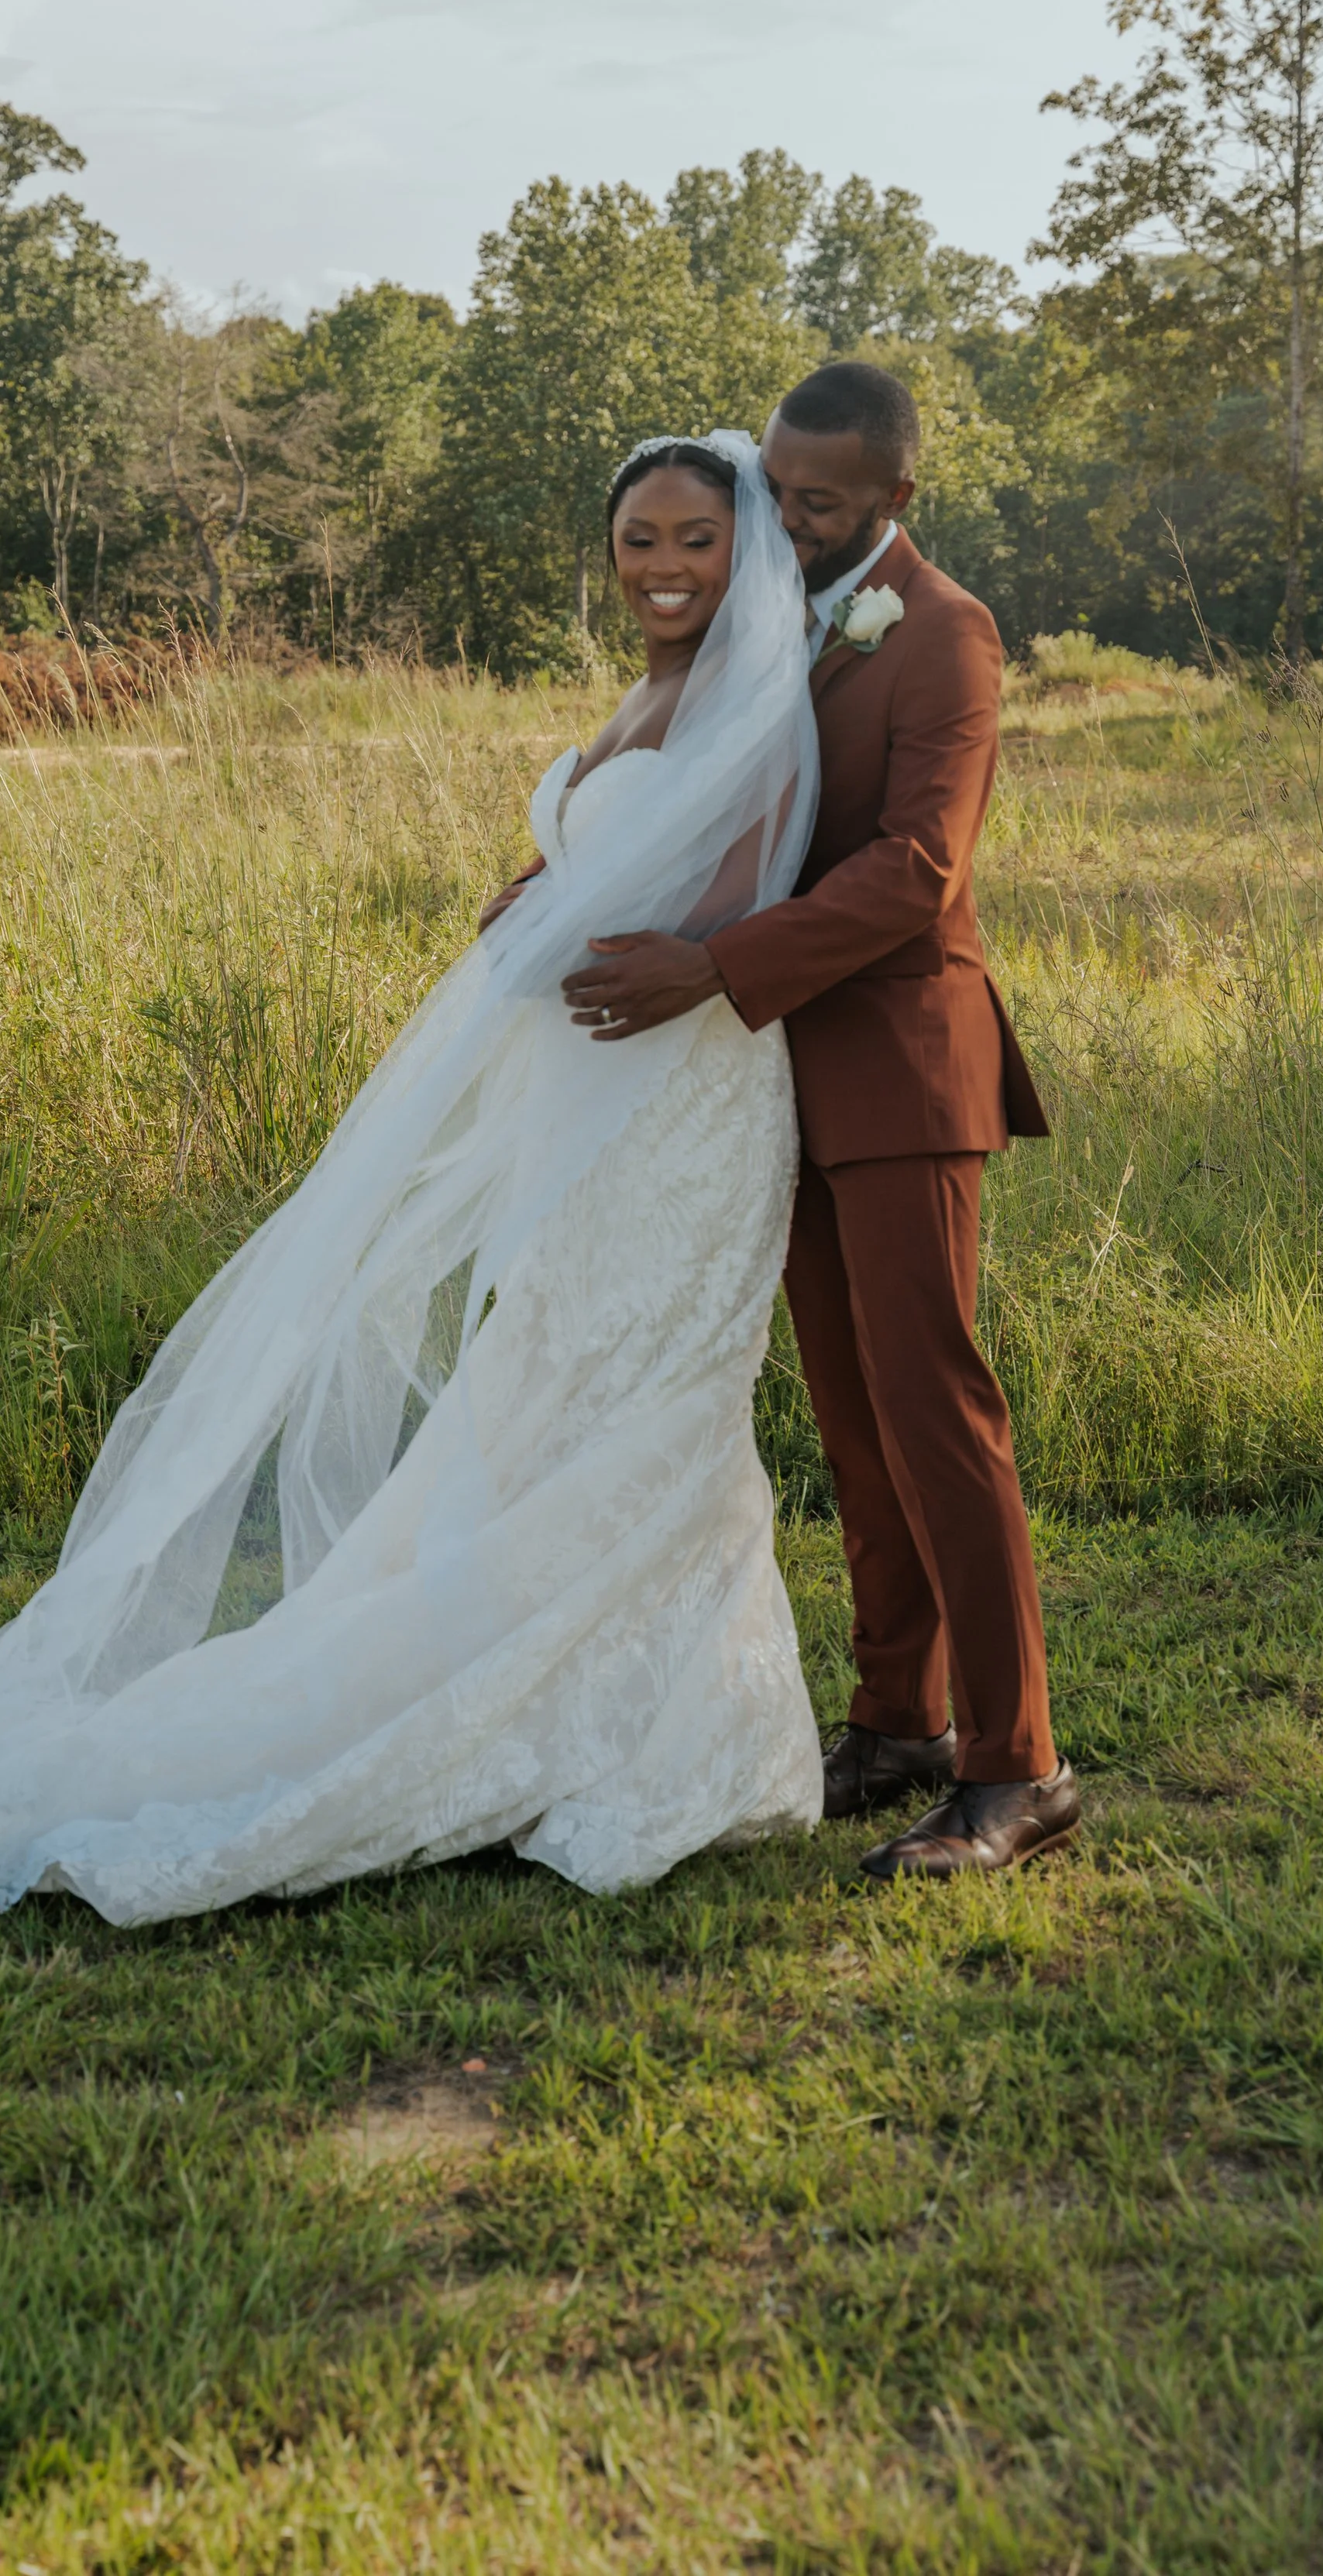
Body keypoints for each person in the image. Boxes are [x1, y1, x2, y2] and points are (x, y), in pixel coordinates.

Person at [0, 432, 826, 1923]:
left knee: (660, 1394)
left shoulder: (758, 701)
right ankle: (550, 1705)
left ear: (751, 554)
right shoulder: (647, 689)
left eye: (695, 543)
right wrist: (540, 889)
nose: (662, 568)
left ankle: (670, 1733)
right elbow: (628, 865)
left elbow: (721, 912)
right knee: (543, 1379)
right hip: (586, 1094)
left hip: (686, 1105)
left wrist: (571, 920)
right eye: (637, 542)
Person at [560, 363, 1078, 1882]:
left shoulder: (945, 636)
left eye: (819, 502)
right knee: (852, 1422)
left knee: (937, 1414)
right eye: (773, 492)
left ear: (895, 499)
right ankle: (897, 1722)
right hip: (775, 1073)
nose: (782, 520)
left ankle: (1018, 1768)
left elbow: (917, 868)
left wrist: (713, 970)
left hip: (905, 1068)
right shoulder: (771, 627)